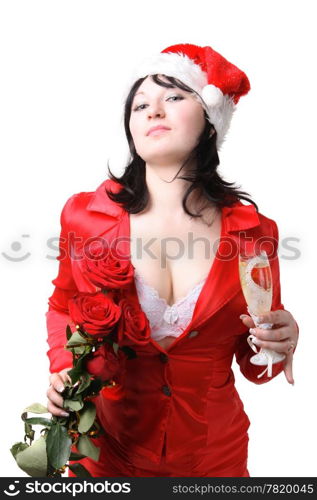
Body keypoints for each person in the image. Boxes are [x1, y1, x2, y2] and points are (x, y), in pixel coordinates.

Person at [45, 43, 299, 477]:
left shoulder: (255, 233)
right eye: (140, 104)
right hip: (106, 454)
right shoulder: (84, 217)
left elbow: (255, 362)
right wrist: (64, 368)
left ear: (210, 122)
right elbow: (62, 304)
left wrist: (280, 341)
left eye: (174, 97)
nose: (153, 111)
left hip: (214, 457)